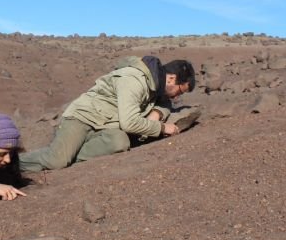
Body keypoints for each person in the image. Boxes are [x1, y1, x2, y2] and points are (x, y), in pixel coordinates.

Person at [18, 56, 195, 172]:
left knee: (120, 142)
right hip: (83, 118)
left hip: (106, 125)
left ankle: (70, 155)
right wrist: (162, 127)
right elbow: (129, 123)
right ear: (171, 78)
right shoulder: (134, 80)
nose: (178, 96)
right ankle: (11, 165)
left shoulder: (155, 86)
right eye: (180, 90)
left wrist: (157, 112)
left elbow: (164, 102)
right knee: (56, 161)